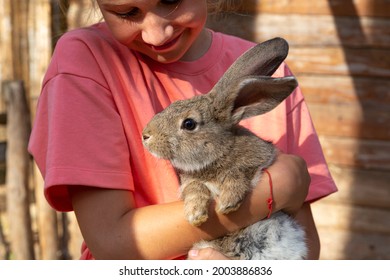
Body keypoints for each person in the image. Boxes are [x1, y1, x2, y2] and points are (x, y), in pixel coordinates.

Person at [28, 0, 337, 260]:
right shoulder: (86, 61)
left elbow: (303, 246)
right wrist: (278, 187)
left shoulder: (273, 79)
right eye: (127, 12)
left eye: (171, 0)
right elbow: (112, 242)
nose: (156, 33)